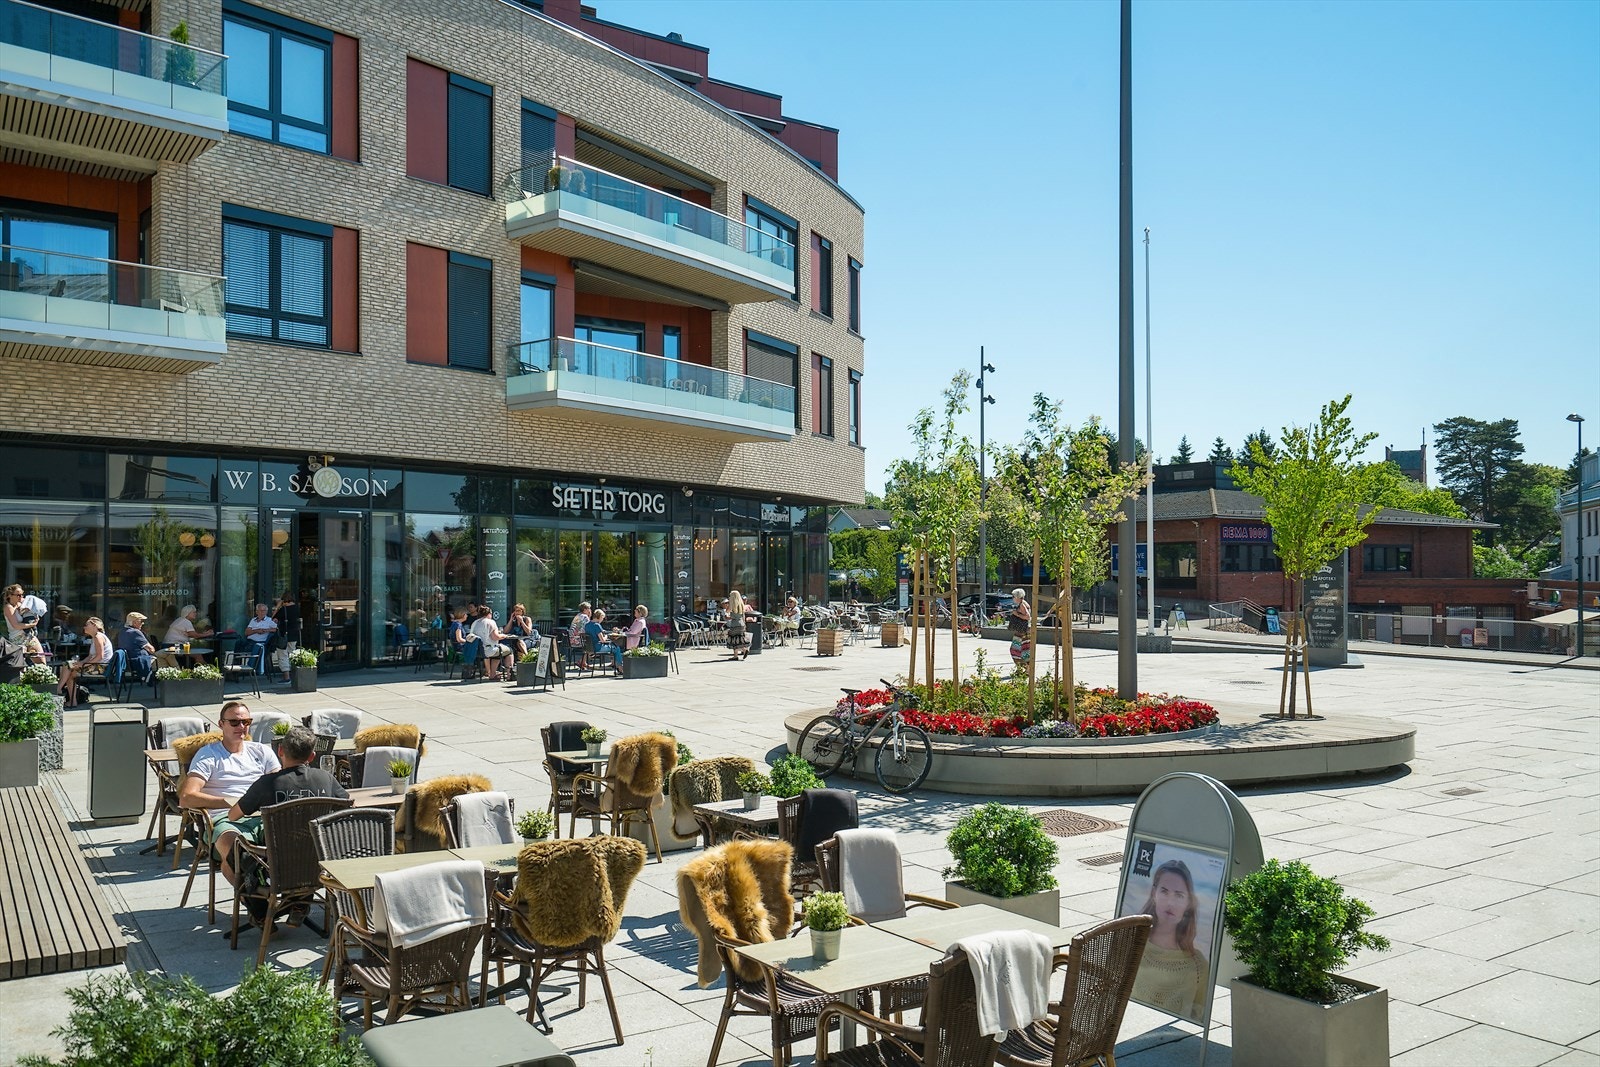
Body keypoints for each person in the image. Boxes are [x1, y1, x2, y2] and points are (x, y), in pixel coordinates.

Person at [179, 701, 282, 902]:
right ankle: (258, 902)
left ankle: (291, 899)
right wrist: (232, 802)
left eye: (246, 722)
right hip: (225, 820)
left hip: (263, 817)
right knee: (237, 852)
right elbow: (186, 797)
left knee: (300, 840)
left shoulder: (261, 751)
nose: (241, 727)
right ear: (221, 724)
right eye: (234, 722)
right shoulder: (209, 755)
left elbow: (280, 784)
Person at [1131, 859, 1210, 1020]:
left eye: (1179, 895)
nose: (1170, 902)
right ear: (1154, 894)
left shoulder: (1198, 966)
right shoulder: (1129, 944)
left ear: (1188, 903)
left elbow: (1198, 1020)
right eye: (1164, 891)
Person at [57, 616, 111, 706]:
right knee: (67, 664)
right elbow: (90, 656)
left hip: (101, 667)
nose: (84, 627)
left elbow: (99, 656)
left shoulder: (98, 637)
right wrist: (80, 663)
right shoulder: (95, 638)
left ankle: (59, 689)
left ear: (94, 625)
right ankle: (66, 695)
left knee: (69, 670)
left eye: (87, 625)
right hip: (97, 665)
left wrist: (83, 665)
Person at [3, 584, 44, 662]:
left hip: (29, 636)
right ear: (10, 596)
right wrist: (32, 625)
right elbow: (16, 625)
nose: (21, 597)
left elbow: (34, 604)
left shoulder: (22, 604)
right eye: (18, 595)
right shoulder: (8, 607)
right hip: (17, 639)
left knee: (41, 661)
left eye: (22, 594)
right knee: (20, 666)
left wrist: (33, 613)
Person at [470, 606, 512, 680]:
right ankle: (509, 674)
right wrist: (503, 636)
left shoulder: (475, 622)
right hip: (488, 650)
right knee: (509, 651)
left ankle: (492, 674)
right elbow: (495, 637)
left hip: (476, 650)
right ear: (489, 614)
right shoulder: (491, 622)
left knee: (498, 652)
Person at [116, 612, 157, 683]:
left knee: (167, 656)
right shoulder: (135, 632)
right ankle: (172, 682)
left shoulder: (122, 632)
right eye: (141, 621)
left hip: (129, 662)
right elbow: (151, 650)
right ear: (134, 623)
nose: (143, 623)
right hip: (138, 661)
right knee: (166, 656)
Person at [271, 592, 301, 683]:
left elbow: (273, 619)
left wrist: (277, 607)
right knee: (292, 653)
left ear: (283, 600)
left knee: (283, 654)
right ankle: (295, 674)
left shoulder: (283, 610)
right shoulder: (297, 608)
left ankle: (286, 677)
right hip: (294, 634)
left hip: (284, 634)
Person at [240, 603, 277, 672]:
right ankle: (236, 667)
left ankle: (251, 667)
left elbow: (276, 629)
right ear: (256, 612)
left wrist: (266, 630)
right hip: (249, 642)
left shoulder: (269, 621)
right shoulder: (253, 620)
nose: (262, 612)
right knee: (238, 643)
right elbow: (246, 633)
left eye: (264, 611)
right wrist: (256, 631)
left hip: (259, 643)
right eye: (260, 610)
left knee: (257, 646)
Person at [1008, 587, 1032, 670]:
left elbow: (1028, 616)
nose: (1013, 598)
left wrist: (1016, 614)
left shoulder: (1022, 605)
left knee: (1014, 650)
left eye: (1013, 596)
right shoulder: (1024, 603)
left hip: (1022, 631)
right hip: (1026, 630)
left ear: (1017, 597)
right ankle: (1027, 669)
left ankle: (1022, 668)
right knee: (1025, 650)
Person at [726, 590, 749, 661]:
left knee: (733, 639)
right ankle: (736, 655)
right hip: (741, 623)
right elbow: (743, 615)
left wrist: (728, 616)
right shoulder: (741, 605)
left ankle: (743, 651)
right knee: (739, 639)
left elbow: (727, 611)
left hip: (734, 624)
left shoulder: (732, 605)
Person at [568, 601, 592, 668]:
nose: (590, 610)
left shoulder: (577, 616)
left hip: (571, 640)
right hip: (577, 640)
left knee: (588, 644)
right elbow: (589, 628)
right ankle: (581, 661)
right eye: (589, 609)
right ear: (585, 610)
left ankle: (583, 662)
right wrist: (589, 616)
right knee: (592, 645)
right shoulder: (585, 617)